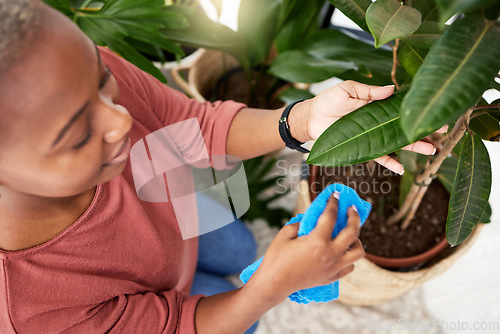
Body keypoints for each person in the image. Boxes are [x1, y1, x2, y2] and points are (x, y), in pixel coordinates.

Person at [0, 0, 438, 333]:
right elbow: (173, 325)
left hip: (175, 223)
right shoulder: (32, 308)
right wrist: (269, 289)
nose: (121, 120)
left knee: (241, 250)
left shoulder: (74, 73)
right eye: (76, 134)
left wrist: (302, 121)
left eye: (103, 83)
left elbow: (190, 126)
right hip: (147, 295)